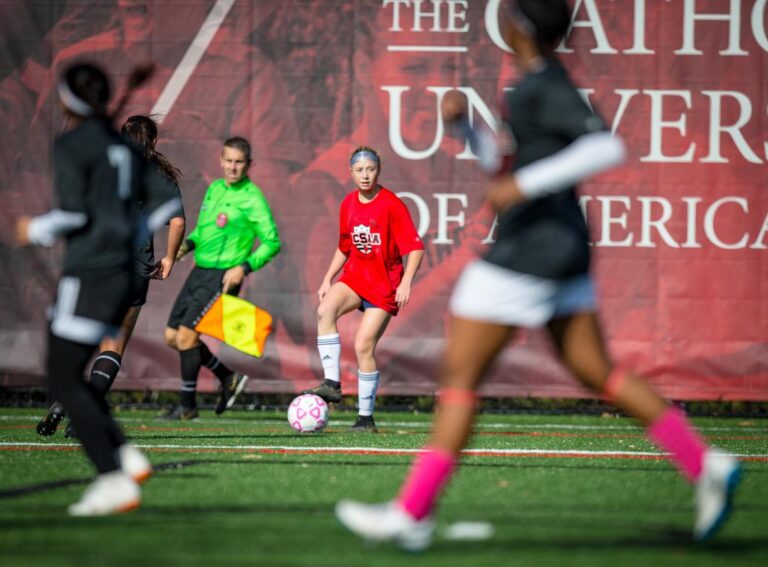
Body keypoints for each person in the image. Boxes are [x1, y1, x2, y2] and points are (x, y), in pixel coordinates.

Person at [335, 0, 741, 549]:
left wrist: (523, 188)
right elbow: (507, 165)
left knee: (460, 380)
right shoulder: (529, 83)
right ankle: (705, 461)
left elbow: (605, 146)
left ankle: (411, 514)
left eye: (505, 11)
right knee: (598, 371)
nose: (497, 17)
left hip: (531, 252)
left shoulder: (545, 83)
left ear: (519, 27)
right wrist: (467, 129)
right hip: (561, 249)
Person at [16, 62, 181, 515]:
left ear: (68, 99)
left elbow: (73, 217)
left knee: (63, 374)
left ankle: (112, 476)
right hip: (126, 271)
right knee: (70, 367)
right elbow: (167, 204)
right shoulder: (123, 149)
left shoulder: (73, 144)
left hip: (89, 271)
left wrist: (32, 229)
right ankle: (124, 454)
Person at [36, 114, 186, 438]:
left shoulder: (105, 167)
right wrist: (170, 259)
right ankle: (80, 420)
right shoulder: (159, 174)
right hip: (133, 267)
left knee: (78, 338)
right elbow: (176, 222)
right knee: (113, 346)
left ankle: (62, 403)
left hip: (95, 264)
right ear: (155, 141)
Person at [302, 146, 424, 432]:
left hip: (384, 285)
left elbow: (415, 247)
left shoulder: (392, 204)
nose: (365, 175)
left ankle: (365, 419)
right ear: (351, 172)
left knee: (362, 346)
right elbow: (344, 247)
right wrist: (327, 278)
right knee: (325, 309)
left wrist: (406, 282)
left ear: (378, 169)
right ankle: (332, 385)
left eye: (370, 169)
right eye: (359, 170)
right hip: (356, 278)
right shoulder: (348, 203)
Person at [162, 136, 281, 419]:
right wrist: (186, 246)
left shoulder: (252, 198)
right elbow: (204, 232)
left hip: (224, 277)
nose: (232, 167)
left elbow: (272, 241)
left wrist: (244, 267)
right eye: (228, 160)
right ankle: (227, 377)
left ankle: (187, 406)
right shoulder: (215, 189)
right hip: (199, 270)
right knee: (171, 337)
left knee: (188, 336)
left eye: (239, 162)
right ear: (220, 160)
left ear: (249, 165)